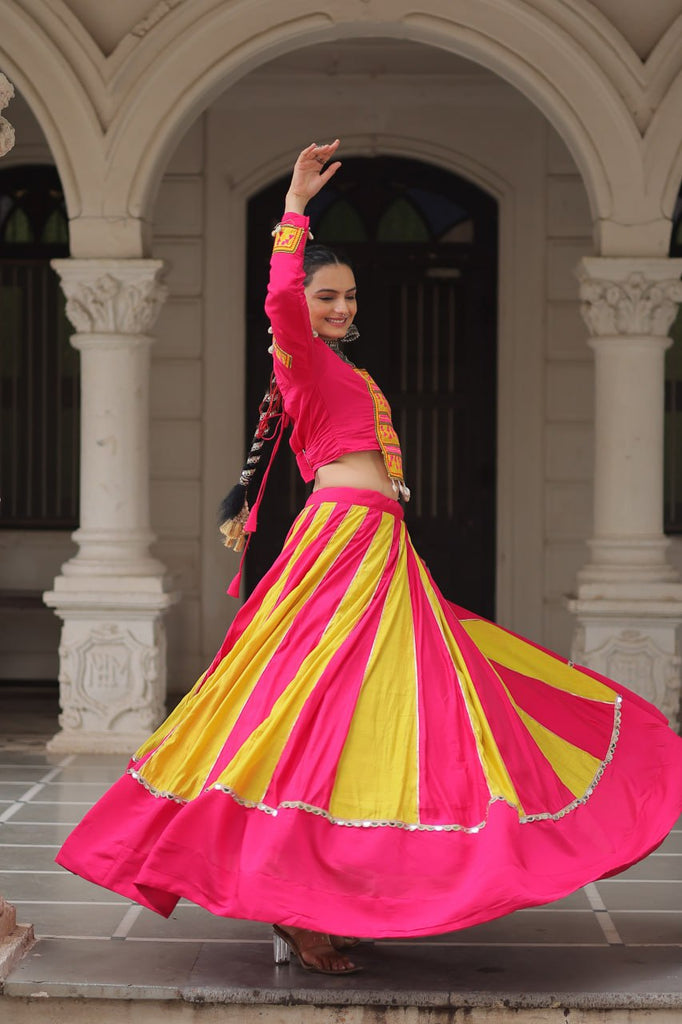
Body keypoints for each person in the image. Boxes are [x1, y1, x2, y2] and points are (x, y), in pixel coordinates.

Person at [56, 140, 682, 976]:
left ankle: (328, 892)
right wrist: (293, 209)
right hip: (342, 543)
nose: (341, 306)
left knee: (398, 708)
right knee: (312, 707)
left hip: (380, 545)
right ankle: (295, 901)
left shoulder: (345, 369)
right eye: (327, 295)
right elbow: (279, 297)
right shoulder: (301, 356)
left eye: (349, 295)